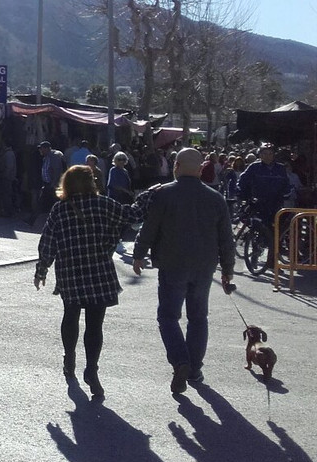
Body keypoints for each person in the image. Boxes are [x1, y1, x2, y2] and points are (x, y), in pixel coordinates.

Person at [35, 165, 145, 397]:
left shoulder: (60, 209)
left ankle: (69, 357)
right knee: (95, 325)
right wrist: (148, 195)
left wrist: (42, 269)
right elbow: (133, 215)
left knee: (71, 315)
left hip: (70, 273)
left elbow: (48, 241)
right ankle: (92, 370)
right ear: (90, 183)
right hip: (98, 271)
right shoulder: (104, 204)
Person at [132, 147, 234, 394]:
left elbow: (150, 228)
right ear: (201, 169)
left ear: (176, 167)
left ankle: (181, 361)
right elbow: (226, 238)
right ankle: (195, 369)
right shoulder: (215, 198)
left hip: (172, 263)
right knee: (198, 318)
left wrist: (138, 254)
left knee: (168, 316)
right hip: (204, 266)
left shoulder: (163, 195)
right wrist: (228, 269)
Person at [238, 144, 292, 234]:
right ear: (260, 155)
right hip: (258, 203)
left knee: (279, 227)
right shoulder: (254, 167)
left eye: (270, 154)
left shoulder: (280, 168)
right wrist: (242, 194)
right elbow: (243, 181)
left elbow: (286, 184)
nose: (268, 156)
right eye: (265, 154)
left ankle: (276, 243)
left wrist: (286, 194)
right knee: (252, 222)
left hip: (275, 203)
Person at [28, 140, 66, 225]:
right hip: (47, 184)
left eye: (41, 149)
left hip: (52, 185)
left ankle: (33, 220)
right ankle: (32, 220)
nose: (40, 151)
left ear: (46, 149)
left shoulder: (54, 156)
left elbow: (57, 170)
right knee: (42, 203)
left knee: (55, 204)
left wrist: (53, 183)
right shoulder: (46, 157)